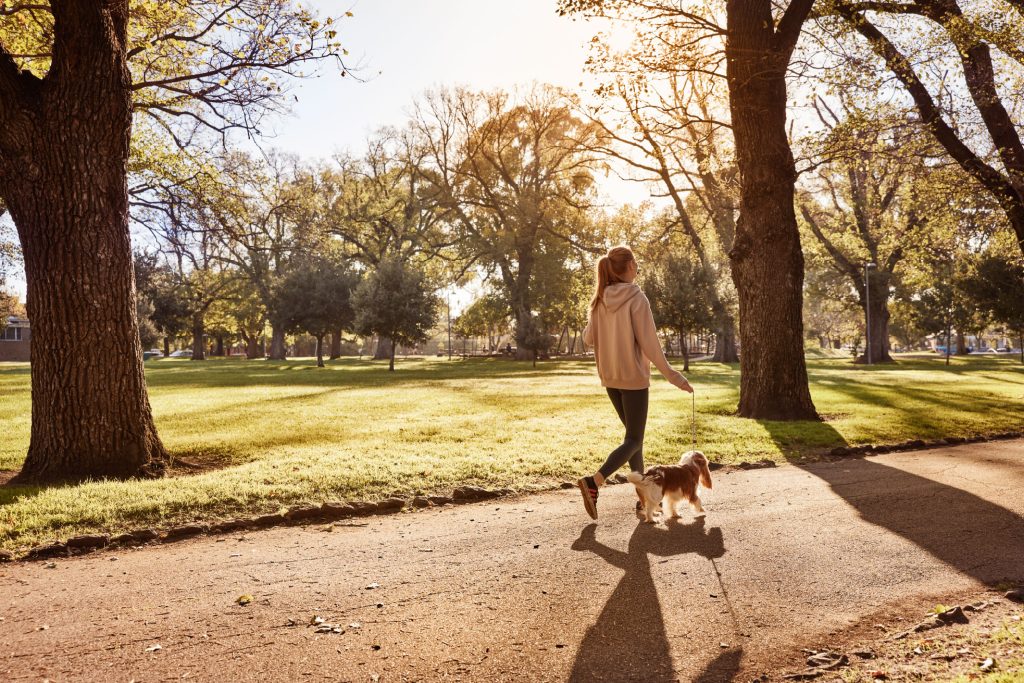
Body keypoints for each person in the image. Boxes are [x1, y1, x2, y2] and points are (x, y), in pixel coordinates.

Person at [577, 245, 693, 520]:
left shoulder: (599, 299)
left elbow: (587, 338)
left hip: (610, 379)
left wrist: (602, 321)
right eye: (635, 264)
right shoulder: (636, 298)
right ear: (628, 267)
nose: (637, 268)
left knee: (634, 440)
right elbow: (650, 344)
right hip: (633, 378)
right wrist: (673, 375)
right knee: (634, 439)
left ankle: (644, 501)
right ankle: (594, 482)